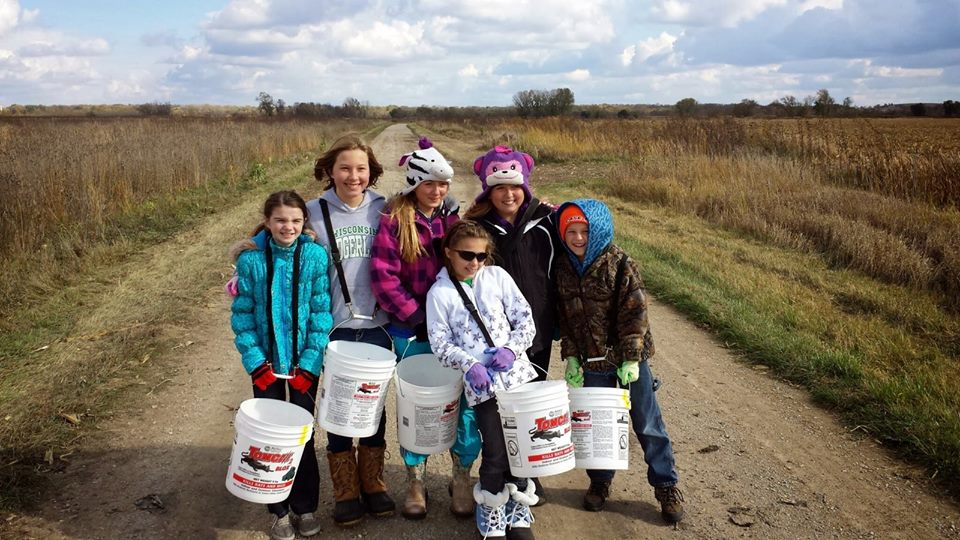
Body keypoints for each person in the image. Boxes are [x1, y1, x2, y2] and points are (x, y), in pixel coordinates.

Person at [553, 199, 685, 524]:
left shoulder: (620, 262)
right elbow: (566, 320)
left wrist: (632, 358)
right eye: (572, 231)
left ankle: (666, 485)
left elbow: (635, 312)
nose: (579, 238)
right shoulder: (564, 269)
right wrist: (571, 356)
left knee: (648, 423)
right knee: (598, 425)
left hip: (629, 361)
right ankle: (600, 480)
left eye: (585, 231)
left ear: (598, 230)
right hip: (593, 362)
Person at [370, 137, 481, 519]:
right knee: (417, 404)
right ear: (414, 183)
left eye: (443, 184)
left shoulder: (454, 218)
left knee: (464, 404)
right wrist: (419, 317)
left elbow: (475, 253)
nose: (437, 191)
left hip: (458, 333)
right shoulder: (393, 219)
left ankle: (462, 475)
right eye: (429, 183)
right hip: (412, 330)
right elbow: (384, 279)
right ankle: (416, 478)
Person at [426, 219, 540, 540]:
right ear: (448, 252)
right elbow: (440, 342)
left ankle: (517, 507)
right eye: (466, 255)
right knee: (494, 451)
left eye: (481, 256)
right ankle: (491, 511)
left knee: (521, 449)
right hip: (483, 388)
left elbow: (524, 320)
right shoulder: (440, 294)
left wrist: (512, 349)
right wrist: (468, 364)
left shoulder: (498, 277)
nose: (474, 263)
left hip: (516, 380)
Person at [230, 190, 333, 540]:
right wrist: (256, 362)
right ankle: (278, 511)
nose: (287, 227)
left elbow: (321, 314)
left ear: (304, 222)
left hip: (303, 366)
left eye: (295, 220)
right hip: (266, 366)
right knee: (270, 439)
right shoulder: (251, 261)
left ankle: (305, 507)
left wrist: (309, 364)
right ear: (268, 221)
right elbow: (242, 316)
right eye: (280, 220)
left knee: (302, 435)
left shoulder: (316, 257)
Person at [307, 134, 396, 527]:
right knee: (341, 409)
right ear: (330, 170)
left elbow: (435, 219)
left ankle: (373, 482)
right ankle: (345, 489)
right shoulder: (311, 211)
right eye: (345, 168)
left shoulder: (387, 209)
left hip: (380, 327)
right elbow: (273, 234)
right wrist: (246, 253)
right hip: (335, 328)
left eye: (361, 168)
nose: (353, 176)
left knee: (372, 407)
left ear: (371, 171)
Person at [465, 145, 558, 504]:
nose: (508, 194)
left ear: (526, 186)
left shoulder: (545, 222)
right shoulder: (478, 229)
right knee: (497, 407)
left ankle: (526, 470)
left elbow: (561, 270)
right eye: (499, 187)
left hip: (536, 332)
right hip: (494, 340)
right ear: (488, 191)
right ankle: (499, 474)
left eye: (514, 186)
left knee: (529, 406)